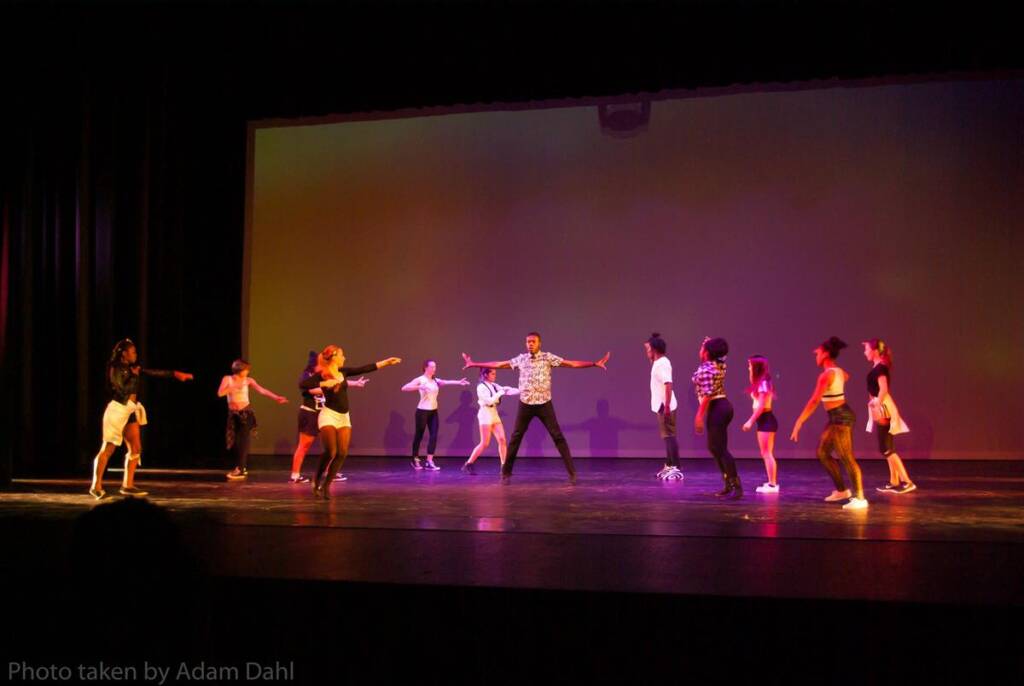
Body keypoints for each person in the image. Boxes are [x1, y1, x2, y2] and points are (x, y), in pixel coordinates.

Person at [461, 332, 610, 484]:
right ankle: (506, 473)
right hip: (526, 404)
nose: (530, 344)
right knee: (515, 438)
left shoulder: (547, 357)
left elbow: (570, 364)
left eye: (533, 341)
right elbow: (499, 364)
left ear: (539, 343)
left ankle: (572, 473)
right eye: (528, 342)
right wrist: (475, 364)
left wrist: (593, 363)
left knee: (557, 437)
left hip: (544, 403)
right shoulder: (522, 359)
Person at [90, 338, 193, 499]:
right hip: (117, 410)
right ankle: (96, 486)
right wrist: (132, 375)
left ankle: (127, 485)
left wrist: (174, 374)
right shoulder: (115, 367)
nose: (135, 354)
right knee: (108, 449)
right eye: (133, 352)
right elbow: (120, 388)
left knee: (136, 448)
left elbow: (151, 372)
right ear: (124, 353)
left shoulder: (131, 368)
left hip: (130, 410)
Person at [300, 345, 401, 499]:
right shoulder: (323, 375)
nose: (344, 358)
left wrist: (386, 362)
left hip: (343, 416)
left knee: (342, 453)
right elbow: (303, 385)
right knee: (330, 451)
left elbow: (364, 368)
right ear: (334, 357)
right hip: (328, 415)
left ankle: (326, 485)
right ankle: (317, 479)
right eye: (342, 355)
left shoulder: (343, 372)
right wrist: (323, 384)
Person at [790, 336, 868, 510]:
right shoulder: (838, 371)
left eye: (817, 353)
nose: (815, 355)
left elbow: (814, 401)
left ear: (825, 354)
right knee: (823, 453)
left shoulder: (826, 375)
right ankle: (841, 490)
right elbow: (846, 376)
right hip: (836, 417)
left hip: (841, 417)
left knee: (846, 457)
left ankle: (860, 498)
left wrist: (799, 422)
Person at [219, 359, 288, 480]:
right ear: (239, 369)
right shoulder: (227, 379)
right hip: (233, 414)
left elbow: (262, 390)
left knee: (243, 441)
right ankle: (241, 467)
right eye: (246, 370)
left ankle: (240, 469)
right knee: (235, 442)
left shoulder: (248, 380)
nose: (247, 372)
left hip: (246, 413)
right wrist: (234, 386)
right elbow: (220, 393)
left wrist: (276, 397)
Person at [863, 339, 915, 494]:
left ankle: (907, 481)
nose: (864, 352)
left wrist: (877, 404)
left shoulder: (880, 368)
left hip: (883, 407)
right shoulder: (878, 367)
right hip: (880, 405)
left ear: (875, 351)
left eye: (866, 349)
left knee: (886, 447)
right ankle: (894, 481)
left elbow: (883, 389)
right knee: (886, 447)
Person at [692, 337, 741, 498]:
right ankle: (727, 483)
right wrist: (708, 342)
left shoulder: (707, 369)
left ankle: (736, 486)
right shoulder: (718, 364)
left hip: (717, 407)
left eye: (702, 348)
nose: (699, 350)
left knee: (720, 448)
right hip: (722, 407)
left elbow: (707, 395)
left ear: (706, 353)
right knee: (715, 447)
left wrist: (699, 416)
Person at [401, 360, 470, 471]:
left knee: (433, 435)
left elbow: (445, 382)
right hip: (422, 411)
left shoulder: (434, 380)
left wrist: (458, 382)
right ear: (425, 368)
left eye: (435, 367)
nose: (434, 369)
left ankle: (429, 461)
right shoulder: (420, 379)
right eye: (432, 367)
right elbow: (404, 388)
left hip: (433, 412)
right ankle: (415, 459)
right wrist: (419, 387)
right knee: (419, 436)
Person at [461, 368, 520, 474]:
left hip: (493, 413)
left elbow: (508, 390)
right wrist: (500, 392)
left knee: (502, 439)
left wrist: (523, 390)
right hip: (485, 414)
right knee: (484, 443)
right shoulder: (481, 387)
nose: (494, 375)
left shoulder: (494, 385)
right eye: (492, 374)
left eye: (494, 373)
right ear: (485, 375)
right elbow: (489, 401)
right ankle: (468, 464)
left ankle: (504, 466)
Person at [645, 333, 682, 481]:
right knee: (667, 436)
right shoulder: (658, 362)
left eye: (648, 349)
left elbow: (668, 384)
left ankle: (676, 467)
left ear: (654, 349)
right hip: (661, 405)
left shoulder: (663, 363)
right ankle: (669, 464)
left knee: (669, 436)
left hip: (665, 405)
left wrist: (666, 406)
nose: (646, 352)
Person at [742, 355, 779, 493]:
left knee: (767, 453)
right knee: (765, 452)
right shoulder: (761, 381)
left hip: (766, 420)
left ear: (756, 367)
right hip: (764, 420)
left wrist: (750, 421)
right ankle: (771, 482)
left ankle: (772, 485)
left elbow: (762, 405)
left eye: (750, 365)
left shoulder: (763, 382)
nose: (748, 367)